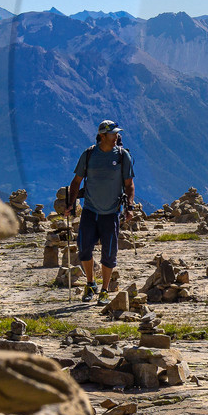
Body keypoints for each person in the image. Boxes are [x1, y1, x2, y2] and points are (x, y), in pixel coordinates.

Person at [67, 119, 135, 301]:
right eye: (113, 134)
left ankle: (104, 290)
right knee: (83, 249)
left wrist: (129, 206)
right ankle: (91, 284)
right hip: (90, 210)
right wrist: (70, 204)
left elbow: (129, 185)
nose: (117, 136)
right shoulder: (89, 155)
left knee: (109, 253)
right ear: (102, 136)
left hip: (111, 212)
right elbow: (76, 181)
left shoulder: (122, 156)